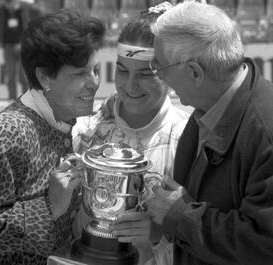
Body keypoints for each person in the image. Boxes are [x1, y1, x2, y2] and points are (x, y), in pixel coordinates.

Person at [146, 2, 273, 264]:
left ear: (194, 72)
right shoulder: (210, 106)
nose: (159, 77)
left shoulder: (269, 135)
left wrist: (180, 215)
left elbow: (265, 242)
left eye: (159, 67)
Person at [0, 10, 105, 265]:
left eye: (96, 70)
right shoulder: (8, 134)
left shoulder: (61, 122)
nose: (94, 83)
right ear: (45, 77)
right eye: (80, 74)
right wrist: (50, 208)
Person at [72, 2, 189, 264]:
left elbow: (207, 241)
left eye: (146, 74)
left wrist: (161, 232)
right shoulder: (84, 132)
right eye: (122, 71)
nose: (130, 85)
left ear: (170, 74)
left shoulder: (189, 140)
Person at [0, 0, 42, 100]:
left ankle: (26, 98)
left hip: (23, 46)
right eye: (7, 4)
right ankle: (12, 98)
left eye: (12, 3)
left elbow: (37, 20)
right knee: (10, 75)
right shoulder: (0, 11)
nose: (9, 7)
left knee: (24, 75)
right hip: (8, 46)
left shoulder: (26, 9)